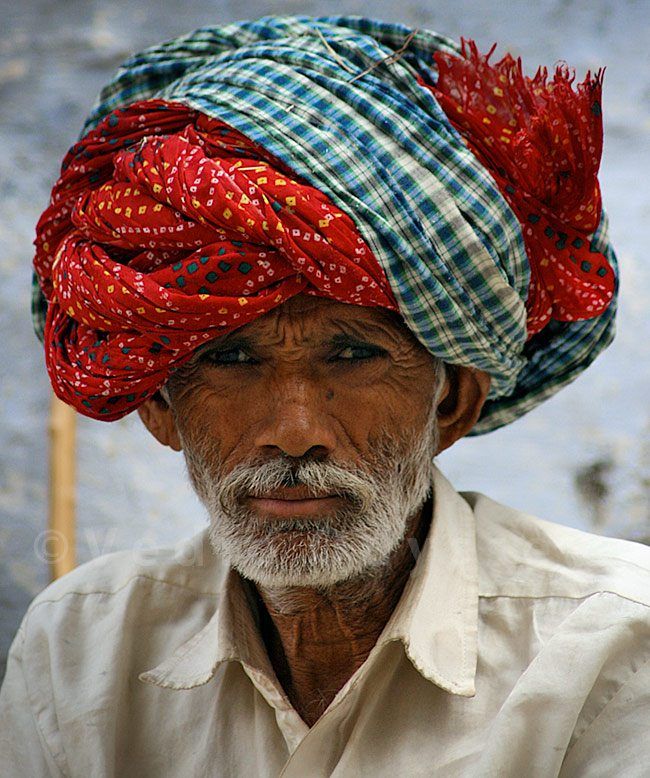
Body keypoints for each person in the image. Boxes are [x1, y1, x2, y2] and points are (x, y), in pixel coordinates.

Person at [1, 15, 648, 777]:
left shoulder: (613, 646)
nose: (295, 431)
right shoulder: (79, 647)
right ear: (160, 408)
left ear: (453, 405)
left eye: (352, 354)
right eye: (234, 358)